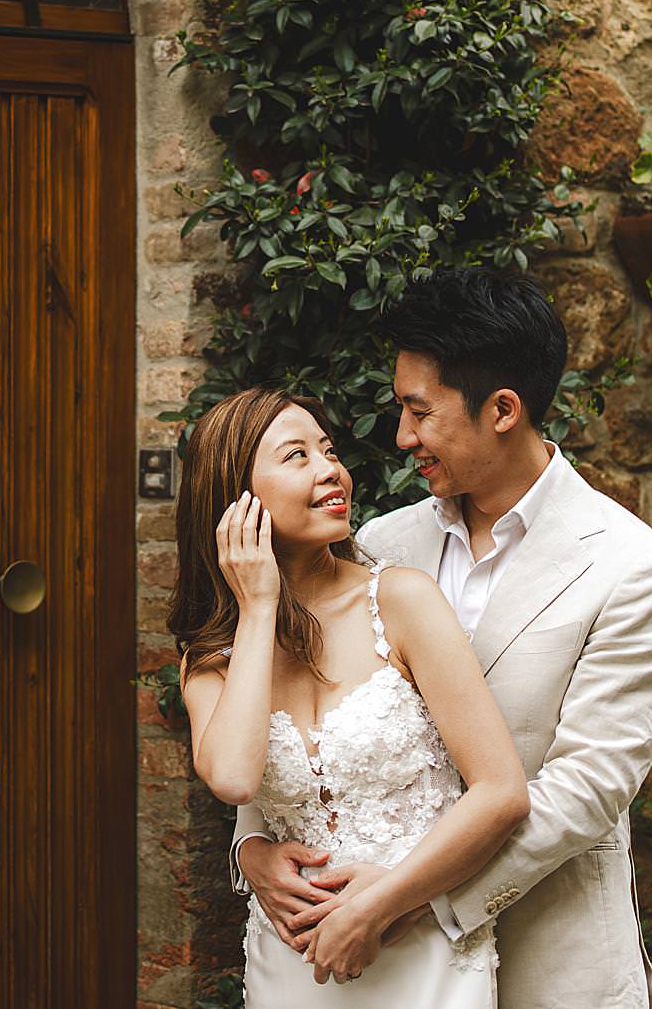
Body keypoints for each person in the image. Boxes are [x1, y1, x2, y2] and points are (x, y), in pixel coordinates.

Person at [231, 269, 652, 1009]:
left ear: (503, 408)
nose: (401, 435)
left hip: (551, 964)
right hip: (368, 974)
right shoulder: (383, 541)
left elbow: (585, 790)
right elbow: (300, 708)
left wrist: (410, 896)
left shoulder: (633, 570)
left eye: (419, 410)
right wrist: (252, 848)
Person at [170, 387, 531, 1003]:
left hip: (419, 952)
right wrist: (258, 606)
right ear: (237, 501)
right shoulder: (210, 657)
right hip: (291, 963)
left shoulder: (402, 601)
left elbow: (501, 793)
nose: (331, 469)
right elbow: (233, 780)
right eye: (296, 456)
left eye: (328, 449)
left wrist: (382, 903)